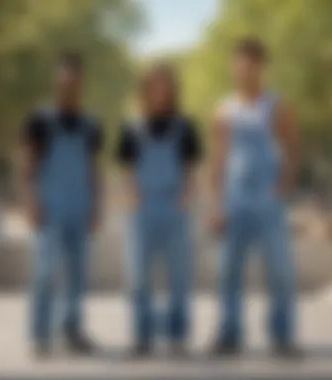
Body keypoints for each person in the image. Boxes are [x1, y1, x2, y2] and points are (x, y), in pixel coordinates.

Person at [209, 37, 301, 357]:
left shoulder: (276, 105)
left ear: (261, 66)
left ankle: (282, 335)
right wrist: (216, 205)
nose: (245, 69)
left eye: (251, 63)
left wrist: (283, 187)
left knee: (279, 270)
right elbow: (218, 160)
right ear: (233, 66)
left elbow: (292, 148)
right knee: (229, 271)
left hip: (267, 199)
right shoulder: (223, 110)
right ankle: (229, 333)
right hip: (234, 198)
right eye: (240, 62)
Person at [22, 51, 103, 357]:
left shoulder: (90, 124)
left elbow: (93, 168)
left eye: (74, 76)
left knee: (78, 273)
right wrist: (30, 201)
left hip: (80, 204)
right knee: (44, 272)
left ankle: (72, 330)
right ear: (58, 79)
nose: (69, 82)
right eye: (64, 75)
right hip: (50, 205)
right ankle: (40, 335)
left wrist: (96, 206)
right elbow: (28, 164)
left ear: (80, 81)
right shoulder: (40, 120)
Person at [117, 64, 201, 357]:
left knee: (178, 276)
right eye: (154, 85)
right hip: (141, 209)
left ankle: (177, 337)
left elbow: (191, 168)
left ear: (172, 89)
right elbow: (126, 169)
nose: (160, 91)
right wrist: (132, 199)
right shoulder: (132, 127)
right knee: (138, 277)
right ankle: (142, 337)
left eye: (165, 85)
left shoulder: (185, 126)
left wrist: (185, 198)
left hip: (174, 207)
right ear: (146, 90)